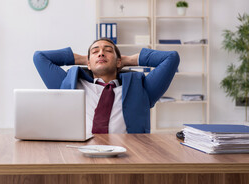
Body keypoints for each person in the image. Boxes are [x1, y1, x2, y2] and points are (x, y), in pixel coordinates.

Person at [33, 38, 180, 134]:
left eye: (108, 51)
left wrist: (128, 60)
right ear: (88, 63)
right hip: (79, 154)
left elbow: (171, 58)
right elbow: (40, 57)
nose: (101, 53)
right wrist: (86, 59)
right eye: (95, 51)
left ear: (118, 62)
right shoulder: (68, 84)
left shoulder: (142, 88)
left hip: (127, 155)